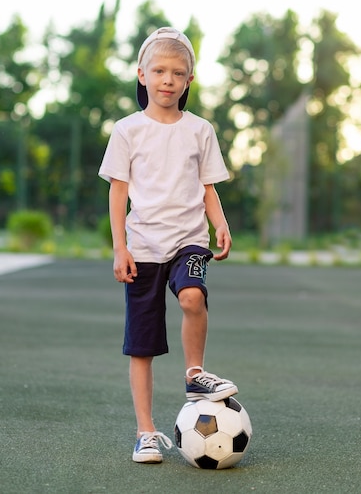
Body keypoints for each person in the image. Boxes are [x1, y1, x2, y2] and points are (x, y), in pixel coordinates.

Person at [98, 27, 238, 463]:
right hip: (142, 247)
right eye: (159, 70)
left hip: (188, 241)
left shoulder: (200, 130)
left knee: (193, 296)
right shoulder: (127, 131)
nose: (167, 79)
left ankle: (195, 374)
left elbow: (208, 187)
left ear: (189, 81)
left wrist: (220, 224)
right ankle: (145, 432)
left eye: (178, 73)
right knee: (142, 345)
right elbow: (118, 192)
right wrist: (119, 247)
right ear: (141, 75)